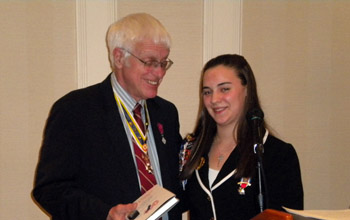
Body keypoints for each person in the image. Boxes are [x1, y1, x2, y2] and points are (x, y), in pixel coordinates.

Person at [32, 13, 183, 220]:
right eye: (149, 62)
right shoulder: (74, 110)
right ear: (119, 57)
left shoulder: (166, 113)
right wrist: (105, 214)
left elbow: (176, 186)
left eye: (163, 63)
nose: (158, 73)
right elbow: (50, 190)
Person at [179, 54, 303, 220]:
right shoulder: (191, 149)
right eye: (207, 92)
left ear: (247, 90)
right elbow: (174, 201)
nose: (214, 99)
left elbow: (284, 217)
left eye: (225, 89)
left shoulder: (277, 154)